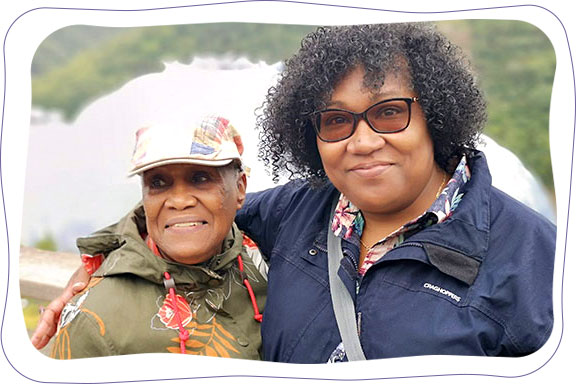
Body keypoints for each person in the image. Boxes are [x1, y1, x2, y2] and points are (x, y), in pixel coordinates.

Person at [33, 23, 555, 363]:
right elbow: (194, 211)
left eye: (389, 111)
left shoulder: (536, 261)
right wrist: (104, 265)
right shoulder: (299, 209)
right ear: (312, 135)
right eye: (336, 121)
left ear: (435, 116)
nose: (364, 141)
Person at [48, 115, 267, 359]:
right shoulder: (95, 319)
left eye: (200, 178)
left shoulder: (267, 255)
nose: (180, 201)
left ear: (240, 188)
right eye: (159, 183)